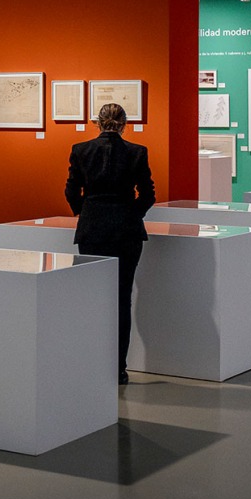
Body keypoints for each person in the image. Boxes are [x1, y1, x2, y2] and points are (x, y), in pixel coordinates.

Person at [65, 102, 156, 385]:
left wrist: (86, 211)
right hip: (126, 232)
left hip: (92, 231)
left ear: (97, 122)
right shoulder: (137, 152)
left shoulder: (81, 150)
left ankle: (94, 364)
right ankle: (118, 369)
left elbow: (71, 190)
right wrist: (131, 214)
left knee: (95, 297)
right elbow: (148, 194)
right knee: (122, 298)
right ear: (125, 124)